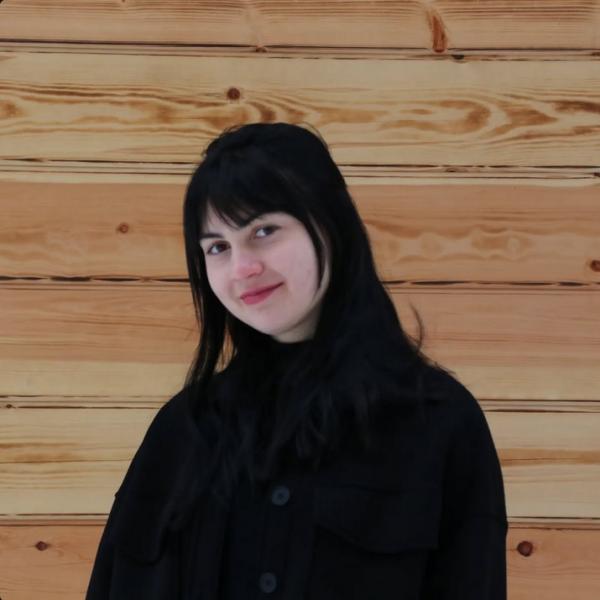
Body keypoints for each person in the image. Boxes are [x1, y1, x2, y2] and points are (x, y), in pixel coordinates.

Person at [85, 122, 508, 599]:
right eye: (218, 247)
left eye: (264, 231)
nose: (242, 268)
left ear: (330, 224)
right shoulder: (182, 431)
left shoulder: (440, 424)